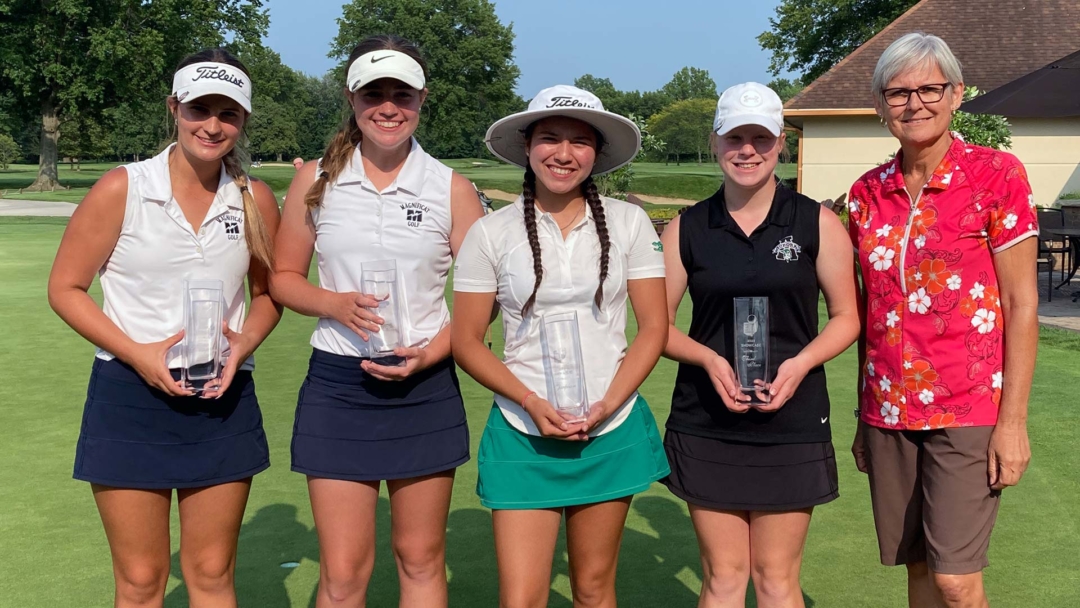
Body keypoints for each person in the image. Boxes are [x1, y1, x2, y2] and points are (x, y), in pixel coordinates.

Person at [47, 48, 281, 607]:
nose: (213, 125)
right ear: (174, 108)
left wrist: (244, 342)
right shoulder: (122, 188)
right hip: (128, 397)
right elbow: (65, 288)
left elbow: (268, 295)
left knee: (211, 575)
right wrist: (136, 353)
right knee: (140, 582)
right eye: (200, 108)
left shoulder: (255, 199)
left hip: (222, 396)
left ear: (243, 120)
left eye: (228, 112)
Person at [269, 34, 484, 607]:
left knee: (420, 560)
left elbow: (480, 299)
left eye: (402, 95)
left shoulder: (451, 188)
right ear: (352, 98)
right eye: (374, 94)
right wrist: (333, 303)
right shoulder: (314, 180)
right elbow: (283, 278)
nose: (388, 107)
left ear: (421, 100)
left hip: (426, 384)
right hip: (338, 387)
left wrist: (434, 353)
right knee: (342, 574)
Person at [452, 84, 670, 607]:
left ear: (597, 152)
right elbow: (466, 340)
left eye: (580, 140)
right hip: (522, 430)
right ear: (528, 146)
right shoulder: (491, 232)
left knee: (594, 590)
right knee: (522, 598)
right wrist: (530, 401)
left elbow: (655, 327)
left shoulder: (628, 221)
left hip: (609, 426)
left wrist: (607, 404)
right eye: (550, 138)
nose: (564, 154)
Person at [848, 33, 1038, 608]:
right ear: (881, 106)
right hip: (888, 408)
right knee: (919, 567)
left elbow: (1022, 303)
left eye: (929, 88)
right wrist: (864, 414)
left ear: (956, 94)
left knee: (956, 580)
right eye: (898, 92)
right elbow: (868, 311)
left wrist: (1013, 423)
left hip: (969, 404)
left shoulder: (996, 175)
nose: (915, 103)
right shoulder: (865, 194)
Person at [659, 82, 859, 607]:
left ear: (781, 145)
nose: (747, 150)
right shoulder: (686, 228)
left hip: (792, 420)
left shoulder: (817, 221)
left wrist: (802, 362)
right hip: (706, 418)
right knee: (723, 577)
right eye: (734, 137)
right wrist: (707, 357)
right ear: (715, 143)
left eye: (761, 138)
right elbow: (656, 326)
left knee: (774, 578)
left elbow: (845, 318)